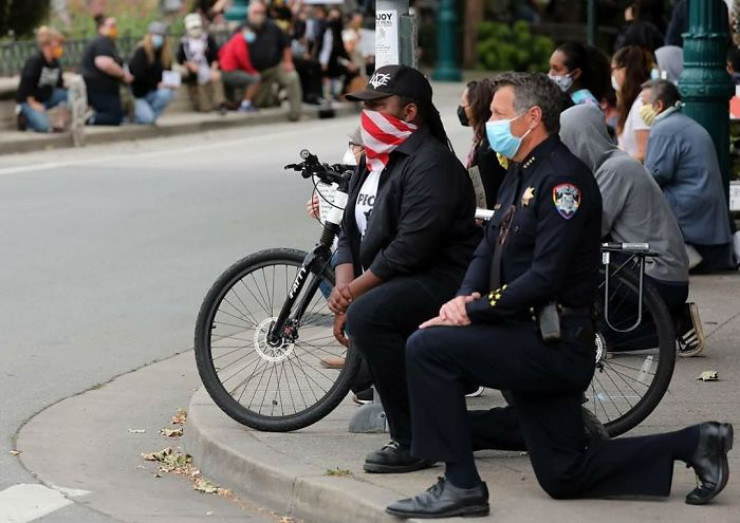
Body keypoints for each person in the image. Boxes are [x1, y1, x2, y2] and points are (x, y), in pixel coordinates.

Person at [385, 72, 734, 520]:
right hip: (528, 336)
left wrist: (475, 310)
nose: (489, 122)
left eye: (498, 114)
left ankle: (461, 486)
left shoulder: (563, 181)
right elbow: (489, 245)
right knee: (564, 474)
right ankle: (698, 443)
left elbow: (545, 277)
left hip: (553, 343)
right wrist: (464, 295)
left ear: (532, 117)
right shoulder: (521, 172)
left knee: (427, 348)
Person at [328, 65, 481, 476]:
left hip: (442, 278)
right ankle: (427, 428)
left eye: (378, 106)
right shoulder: (373, 160)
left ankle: (413, 439)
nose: (368, 115)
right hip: (397, 278)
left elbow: (410, 249)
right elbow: (348, 233)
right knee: (365, 311)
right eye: (365, 107)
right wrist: (344, 288)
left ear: (410, 111)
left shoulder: (432, 164)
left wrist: (353, 295)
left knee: (369, 315)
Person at [560, 104, 705, 357]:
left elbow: (591, 229)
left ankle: (674, 325)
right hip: (661, 272)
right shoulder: (615, 163)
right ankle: (672, 320)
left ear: (581, 139)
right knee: (593, 324)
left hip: (656, 276)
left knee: (581, 303)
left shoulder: (614, 170)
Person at [642, 80, 736, 273]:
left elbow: (653, 176)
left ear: (658, 105)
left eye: (644, 103)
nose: (641, 109)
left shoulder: (664, 129)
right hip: (705, 213)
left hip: (688, 213)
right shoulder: (683, 122)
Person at [247, 0, 303, 121]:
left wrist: (288, 62)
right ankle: (272, 100)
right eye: (255, 12)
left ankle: (295, 113)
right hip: (253, 71)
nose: (258, 15)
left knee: (292, 77)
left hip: (274, 66)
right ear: (250, 14)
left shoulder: (273, 27)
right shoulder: (243, 28)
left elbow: (286, 45)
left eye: (261, 12)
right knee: (259, 101)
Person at [458, 79, 506, 207]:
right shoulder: (480, 141)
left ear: (477, 107)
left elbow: (486, 196)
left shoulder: (487, 151)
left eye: (464, 104)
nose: (461, 109)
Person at [16, 26, 68, 133]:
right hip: (29, 101)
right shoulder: (35, 61)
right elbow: (27, 84)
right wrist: (32, 102)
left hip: (46, 98)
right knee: (43, 126)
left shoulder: (55, 63)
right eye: (58, 45)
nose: (60, 48)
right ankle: (24, 117)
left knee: (67, 94)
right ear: (48, 45)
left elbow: (60, 85)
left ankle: (60, 122)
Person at [81, 15, 131, 126]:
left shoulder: (106, 43)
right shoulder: (102, 42)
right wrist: (123, 74)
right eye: (111, 26)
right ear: (101, 28)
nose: (114, 29)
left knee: (117, 113)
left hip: (103, 88)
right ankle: (89, 119)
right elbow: (103, 63)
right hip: (98, 88)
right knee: (114, 116)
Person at [178, 13, 228, 113]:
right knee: (205, 108)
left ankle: (220, 103)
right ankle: (204, 104)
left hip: (208, 67)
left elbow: (215, 57)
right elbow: (180, 58)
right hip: (195, 71)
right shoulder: (184, 42)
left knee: (216, 76)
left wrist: (213, 69)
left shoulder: (208, 39)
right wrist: (189, 64)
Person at [128, 22, 176, 125]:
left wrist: (170, 83)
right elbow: (138, 75)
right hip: (139, 94)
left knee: (168, 93)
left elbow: (168, 73)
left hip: (154, 93)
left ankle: (147, 116)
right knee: (147, 119)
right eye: (156, 34)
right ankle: (134, 117)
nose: (159, 38)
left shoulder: (165, 55)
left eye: (161, 35)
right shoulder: (141, 52)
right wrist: (156, 84)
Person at [612, 45, 651, 161]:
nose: (613, 75)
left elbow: (643, 153)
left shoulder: (641, 105)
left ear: (624, 70)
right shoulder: (632, 103)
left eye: (614, 69)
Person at [547, 42, 611, 108]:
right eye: (550, 68)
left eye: (557, 69)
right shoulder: (562, 98)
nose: (550, 74)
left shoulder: (586, 104)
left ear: (575, 73)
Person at [218, 24, 262, 113]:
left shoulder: (234, 38)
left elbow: (221, 52)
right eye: (251, 32)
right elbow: (242, 57)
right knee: (256, 78)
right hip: (229, 72)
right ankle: (245, 105)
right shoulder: (240, 39)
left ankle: (239, 103)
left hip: (225, 70)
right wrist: (251, 71)